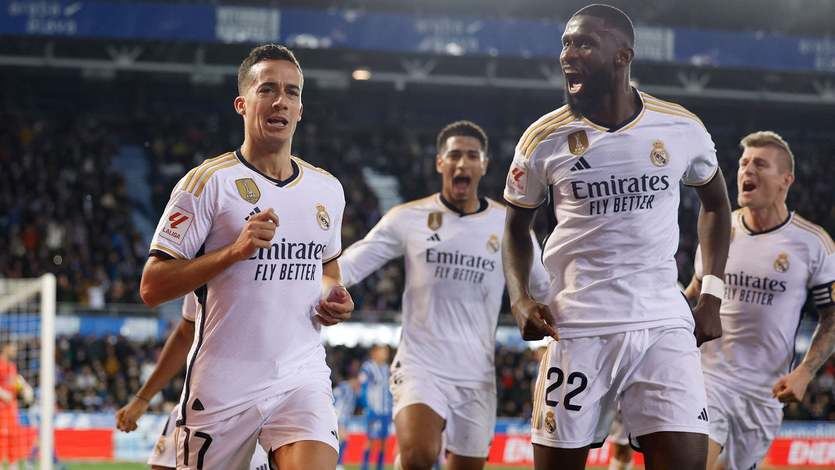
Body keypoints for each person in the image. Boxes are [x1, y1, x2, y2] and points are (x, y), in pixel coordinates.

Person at [501, 4, 732, 470]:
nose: (569, 53)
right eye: (565, 43)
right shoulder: (543, 138)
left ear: (622, 56)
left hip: (662, 323)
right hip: (579, 326)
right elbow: (515, 226)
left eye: (583, 43)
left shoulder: (681, 127)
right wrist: (520, 299)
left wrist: (711, 294)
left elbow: (716, 205)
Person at [138, 43, 354, 470]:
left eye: (292, 92)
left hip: (300, 374)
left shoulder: (328, 189)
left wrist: (334, 294)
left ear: (300, 109)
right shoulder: (207, 183)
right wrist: (233, 252)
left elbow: (327, 263)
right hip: (223, 385)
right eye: (268, 89)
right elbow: (151, 286)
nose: (280, 100)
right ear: (242, 103)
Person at [339, 120, 550, 470]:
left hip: (476, 374)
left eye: (471, 156)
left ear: (484, 164)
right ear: (439, 162)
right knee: (419, 456)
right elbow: (350, 264)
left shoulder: (509, 227)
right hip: (421, 366)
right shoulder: (407, 218)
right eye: (453, 155)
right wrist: (325, 284)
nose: (462, 163)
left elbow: (544, 289)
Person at [684, 131, 835, 470]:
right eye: (743, 163)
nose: (746, 170)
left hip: (764, 394)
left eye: (759, 164)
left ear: (786, 180)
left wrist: (805, 372)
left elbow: (832, 316)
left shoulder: (813, 244)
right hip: (709, 379)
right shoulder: (720, 229)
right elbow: (695, 289)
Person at [115, 294, 269, 470]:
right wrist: (142, 399)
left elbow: (185, 332)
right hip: (211, 401)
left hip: (277, 396)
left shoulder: (291, 406)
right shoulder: (193, 408)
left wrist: (142, 399)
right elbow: (184, 331)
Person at [359, 345, 393, 470]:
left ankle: (380, 467)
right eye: (382, 351)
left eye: (386, 352)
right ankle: (365, 467)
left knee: (384, 441)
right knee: (370, 440)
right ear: (374, 352)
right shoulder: (368, 368)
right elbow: (362, 387)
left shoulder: (387, 369)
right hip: (373, 410)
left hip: (386, 411)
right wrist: (367, 406)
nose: (385, 354)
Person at [333, 375, 360, 470]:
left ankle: (338, 464)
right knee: (340, 440)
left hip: (342, 420)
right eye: (357, 382)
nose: (358, 385)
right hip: (338, 419)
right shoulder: (345, 388)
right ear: (353, 379)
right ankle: (337, 465)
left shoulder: (351, 391)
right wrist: (340, 422)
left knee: (343, 440)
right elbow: (338, 405)